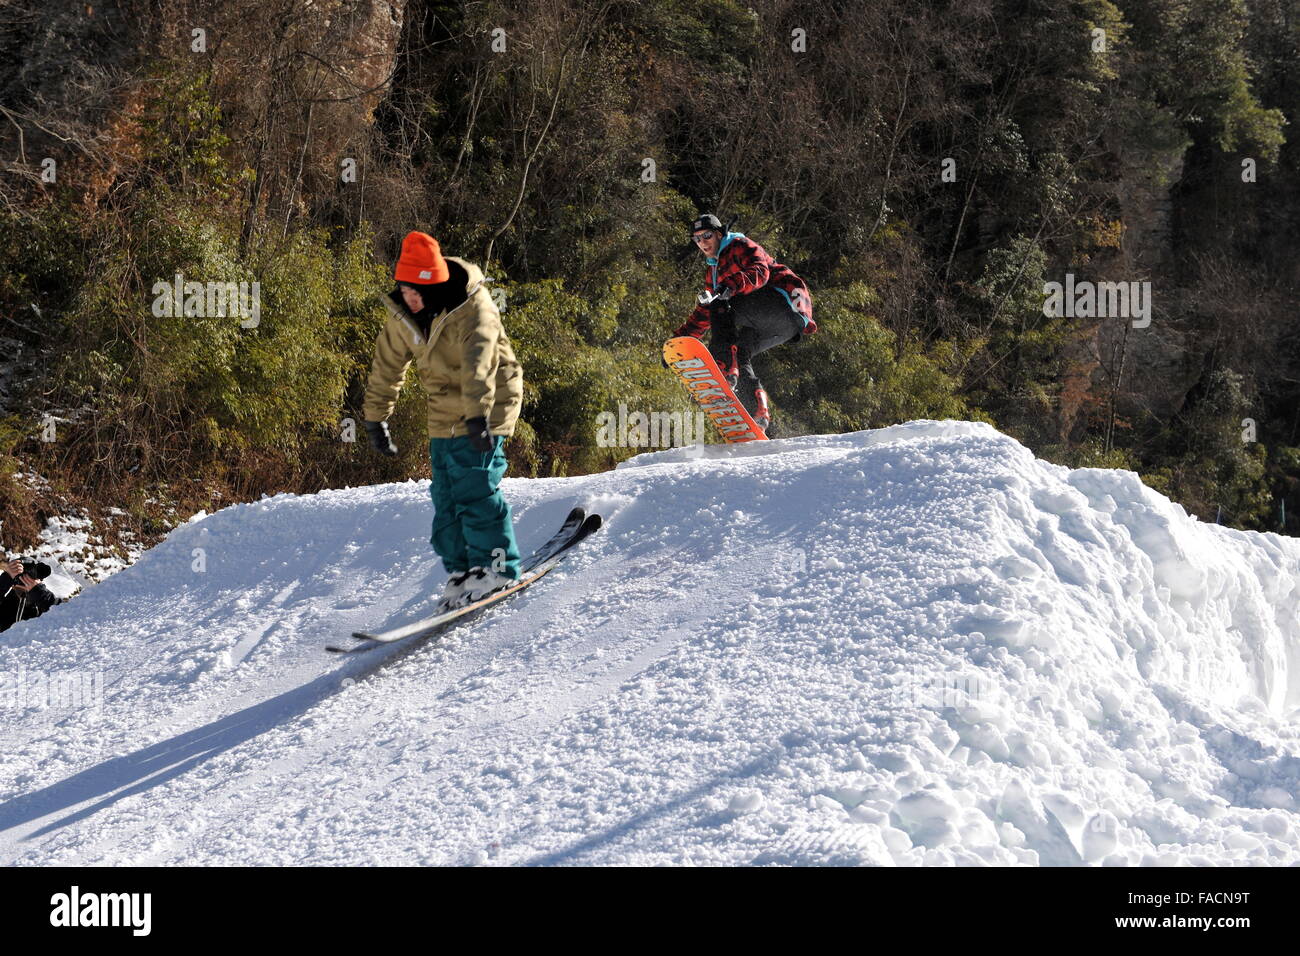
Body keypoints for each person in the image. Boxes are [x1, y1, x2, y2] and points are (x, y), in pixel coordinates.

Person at [362, 231, 525, 612]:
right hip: (443, 410)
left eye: (416, 292)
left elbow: (479, 363)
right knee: (446, 496)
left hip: (488, 403)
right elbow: (387, 365)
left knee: (476, 488)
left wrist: (477, 418)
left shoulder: (474, 307)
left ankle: (499, 568)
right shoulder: (405, 314)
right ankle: (464, 571)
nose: (409, 299)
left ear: (434, 286)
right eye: (403, 290)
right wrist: (375, 419)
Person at [670, 214, 816, 433]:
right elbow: (704, 313)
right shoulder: (713, 270)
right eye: (697, 239)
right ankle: (757, 412)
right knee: (741, 351)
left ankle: (723, 366)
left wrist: (730, 286)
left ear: (719, 234)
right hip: (783, 329)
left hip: (782, 304)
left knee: (720, 302)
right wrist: (679, 341)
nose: (703, 243)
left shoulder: (739, 244)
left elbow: (760, 271)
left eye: (707, 236)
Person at [1, 557, 61, 632]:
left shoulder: (42, 602)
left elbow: (66, 618)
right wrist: (5, 579)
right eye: (22, 573)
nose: (25, 578)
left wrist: (39, 592)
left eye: (31, 574)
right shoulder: (5, 604)